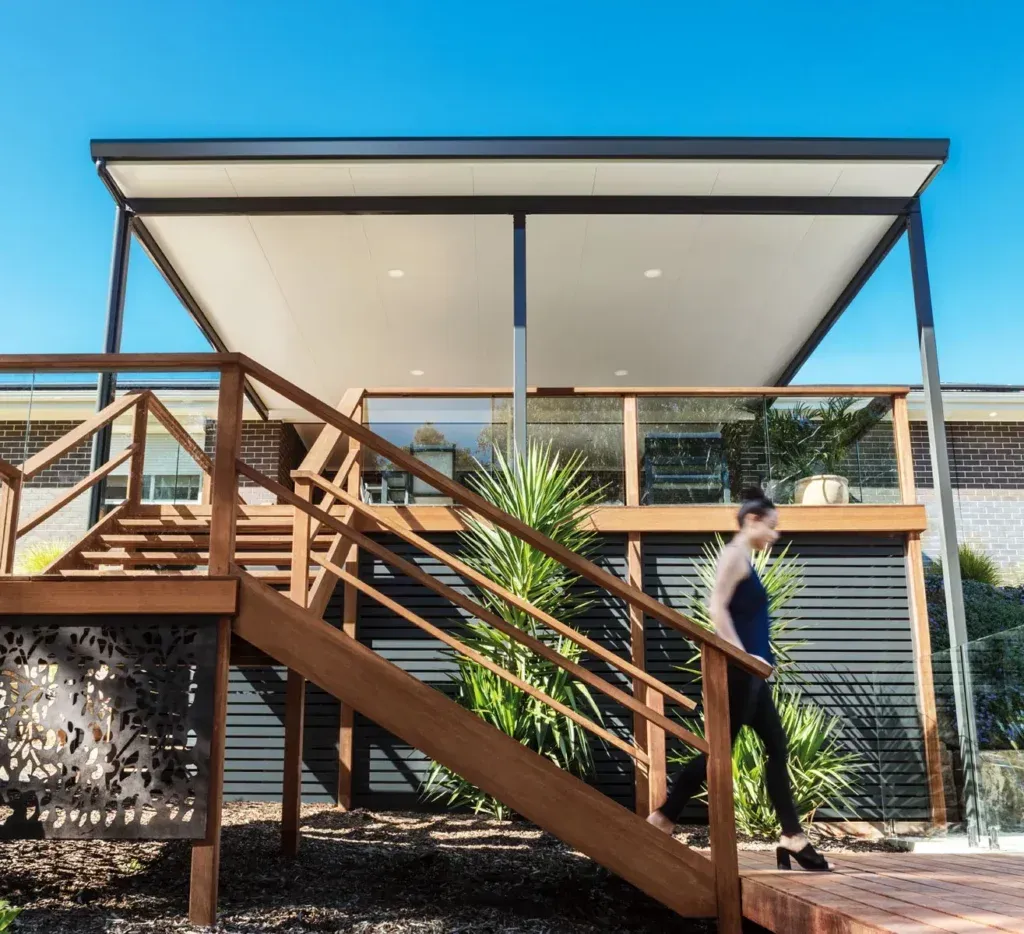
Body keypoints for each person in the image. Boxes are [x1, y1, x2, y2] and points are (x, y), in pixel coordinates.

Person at [646, 488, 830, 872]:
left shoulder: (746, 558)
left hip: (752, 674)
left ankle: (791, 835)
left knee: (775, 747)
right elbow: (716, 608)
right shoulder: (733, 555)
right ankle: (662, 819)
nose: (775, 536)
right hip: (740, 672)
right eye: (772, 527)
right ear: (751, 521)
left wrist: (756, 660)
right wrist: (741, 656)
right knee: (718, 752)